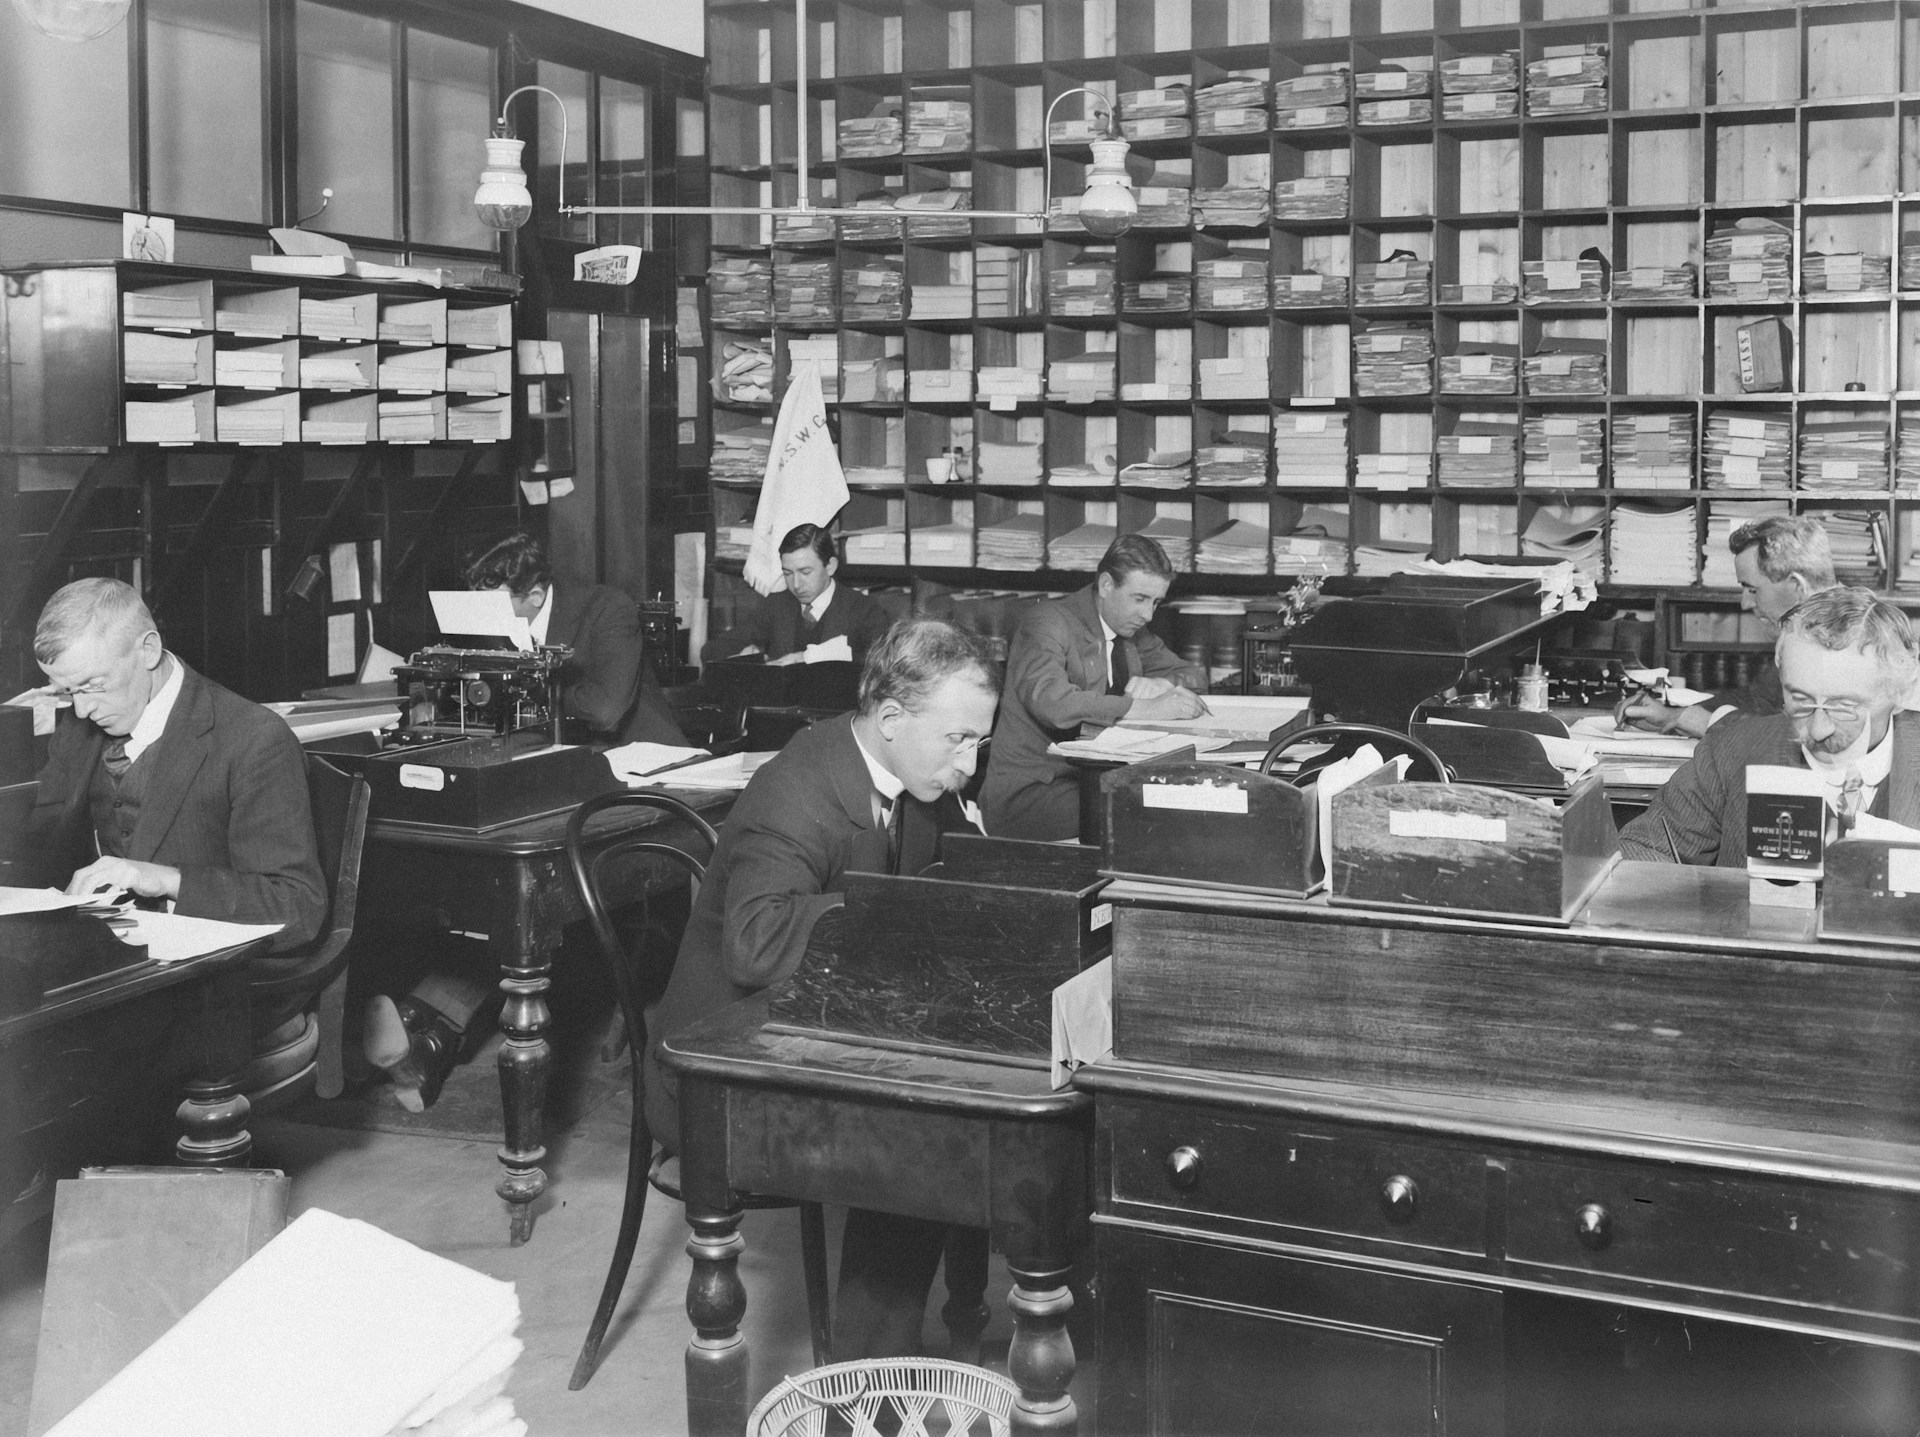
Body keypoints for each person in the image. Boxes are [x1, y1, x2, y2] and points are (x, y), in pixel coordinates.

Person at [645, 616, 1000, 1359]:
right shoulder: (798, 787)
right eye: (958, 740)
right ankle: (865, 1393)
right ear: (892, 718)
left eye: (979, 742)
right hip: (720, 1072)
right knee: (923, 1135)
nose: (970, 765)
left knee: (970, 1100)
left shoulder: (912, 774)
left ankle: (889, 1363)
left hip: (813, 1026)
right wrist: (901, 911)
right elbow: (757, 941)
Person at [362, 533, 688, 1109]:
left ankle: (428, 1025)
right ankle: (428, 1034)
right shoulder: (509, 619)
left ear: (535, 596)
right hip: (551, 771)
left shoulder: (605, 611)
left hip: (644, 777)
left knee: (526, 903)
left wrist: (525, 683)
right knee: (505, 898)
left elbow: (608, 708)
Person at [24, 578, 328, 1088]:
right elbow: (42, 850)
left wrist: (163, 879)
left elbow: (296, 906)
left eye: (93, 686)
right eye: (66, 691)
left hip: (214, 984)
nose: (80, 709)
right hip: (109, 969)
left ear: (148, 650)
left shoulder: (252, 739)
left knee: (56, 1072)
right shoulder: (81, 727)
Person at [1619, 587, 1920, 866]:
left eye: (1844, 706)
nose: (1817, 731)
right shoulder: (1733, 749)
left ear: (1900, 694)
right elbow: (1643, 848)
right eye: (1800, 699)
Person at [980, 533, 1208, 841]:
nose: (1148, 615)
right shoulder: (1047, 621)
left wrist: (1161, 683)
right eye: (1139, 599)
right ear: (1105, 585)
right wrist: (1142, 707)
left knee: (1183, 803)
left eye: (1155, 602)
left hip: (1093, 782)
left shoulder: (1131, 632)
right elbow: (1054, 704)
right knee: (1162, 813)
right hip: (1034, 795)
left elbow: (1193, 674)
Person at [1619, 514, 1836, 737]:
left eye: (1752, 590)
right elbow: (1758, 701)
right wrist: (1671, 713)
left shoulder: (1844, 646)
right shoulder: (1804, 635)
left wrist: (1689, 720)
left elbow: (1796, 737)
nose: (1745, 603)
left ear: (1796, 587)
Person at [465, 531, 686, 746]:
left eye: (492, 603)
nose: (483, 612)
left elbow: (604, 711)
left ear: (535, 597)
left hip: (639, 758)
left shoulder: (608, 608)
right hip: (556, 752)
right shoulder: (499, 621)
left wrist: (532, 694)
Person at [701, 522, 892, 668]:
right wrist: (741, 655)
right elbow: (712, 650)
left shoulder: (863, 608)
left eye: (805, 572)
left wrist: (808, 657)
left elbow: (883, 663)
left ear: (830, 566)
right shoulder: (777, 605)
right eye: (788, 573)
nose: (796, 584)